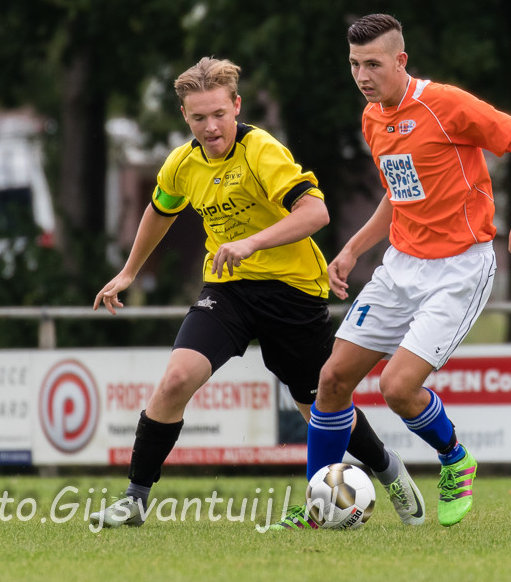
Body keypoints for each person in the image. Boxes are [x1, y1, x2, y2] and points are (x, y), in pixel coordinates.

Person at [88, 57, 424, 529]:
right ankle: (134, 500)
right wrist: (128, 272)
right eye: (199, 117)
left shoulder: (260, 150)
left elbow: (316, 213)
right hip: (228, 290)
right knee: (176, 379)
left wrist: (251, 243)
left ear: (236, 106)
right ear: (184, 116)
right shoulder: (182, 164)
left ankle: (388, 469)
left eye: (219, 114)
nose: (210, 126)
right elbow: (160, 209)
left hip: (293, 292)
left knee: (321, 406)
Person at [276, 14, 511, 528]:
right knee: (332, 380)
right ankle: (318, 506)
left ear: (401, 60)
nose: (362, 76)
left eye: (373, 64)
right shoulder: (372, 117)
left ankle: (455, 459)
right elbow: (398, 194)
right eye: (354, 64)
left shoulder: (445, 105)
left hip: (459, 268)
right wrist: (353, 249)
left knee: (398, 388)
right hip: (401, 267)